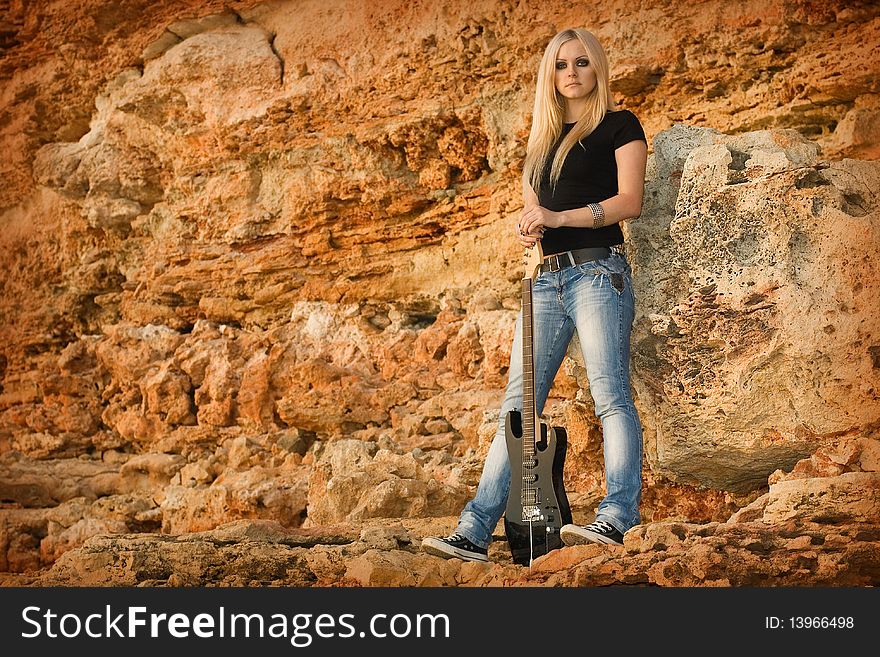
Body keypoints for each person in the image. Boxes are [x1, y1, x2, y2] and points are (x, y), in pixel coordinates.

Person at [422, 27, 648, 562]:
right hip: (544, 279)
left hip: (597, 274)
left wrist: (559, 217)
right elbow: (533, 211)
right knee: (517, 407)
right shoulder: (540, 142)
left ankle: (617, 519)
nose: (571, 74)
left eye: (582, 63)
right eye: (561, 65)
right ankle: (474, 532)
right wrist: (532, 228)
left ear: (598, 70)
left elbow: (630, 202)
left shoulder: (620, 126)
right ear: (551, 75)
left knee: (611, 397)